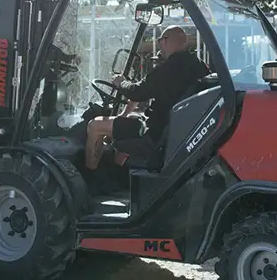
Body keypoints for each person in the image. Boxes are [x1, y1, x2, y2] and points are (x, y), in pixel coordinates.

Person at [83, 25, 212, 171]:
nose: (159, 44)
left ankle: (90, 176)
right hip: (174, 128)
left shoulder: (167, 69)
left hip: (155, 133)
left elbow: (137, 92)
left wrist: (121, 82)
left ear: (165, 41)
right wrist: (124, 114)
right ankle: (115, 168)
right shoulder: (199, 65)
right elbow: (145, 92)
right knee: (131, 116)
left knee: (95, 125)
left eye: (160, 40)